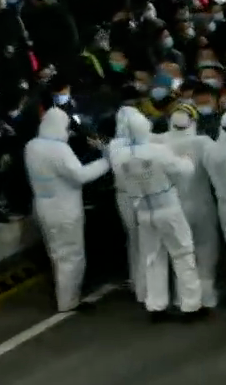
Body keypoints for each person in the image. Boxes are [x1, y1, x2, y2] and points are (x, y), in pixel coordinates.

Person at [110, 109, 203, 321]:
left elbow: (122, 182)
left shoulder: (118, 156)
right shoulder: (157, 151)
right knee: (182, 254)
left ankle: (156, 305)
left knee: (152, 258)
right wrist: (187, 159)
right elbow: (184, 170)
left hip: (143, 211)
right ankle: (191, 305)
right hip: (168, 208)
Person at [24, 107, 110, 312]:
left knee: (56, 254)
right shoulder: (59, 150)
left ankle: (63, 296)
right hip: (65, 210)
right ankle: (69, 301)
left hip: (43, 207)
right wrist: (106, 162)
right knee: (71, 256)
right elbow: (80, 175)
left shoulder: (32, 146)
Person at [164, 103, 221, 310]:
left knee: (180, 254)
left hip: (173, 206)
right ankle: (207, 296)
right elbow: (220, 165)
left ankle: (183, 298)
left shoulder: (160, 143)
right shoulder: (203, 143)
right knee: (206, 249)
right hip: (202, 203)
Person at [109, 106, 146, 302]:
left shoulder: (114, 145)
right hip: (141, 195)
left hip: (123, 196)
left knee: (133, 238)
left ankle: (136, 281)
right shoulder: (144, 143)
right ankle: (146, 285)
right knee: (145, 239)